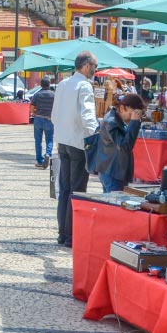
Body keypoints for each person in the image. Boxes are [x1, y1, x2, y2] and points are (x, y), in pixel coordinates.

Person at [51, 51, 99, 248]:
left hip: (62, 141)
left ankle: (62, 233)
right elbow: (87, 115)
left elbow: (55, 114)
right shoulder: (84, 85)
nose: (95, 71)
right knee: (77, 190)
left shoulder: (63, 84)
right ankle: (72, 236)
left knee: (65, 190)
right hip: (78, 143)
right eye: (95, 67)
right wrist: (95, 135)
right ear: (87, 66)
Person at [92, 93, 145, 192]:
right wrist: (134, 123)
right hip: (112, 172)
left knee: (110, 204)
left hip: (111, 170)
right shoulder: (111, 122)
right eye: (131, 113)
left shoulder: (114, 118)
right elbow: (125, 146)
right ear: (122, 108)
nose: (132, 117)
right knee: (114, 204)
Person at [30, 77, 55, 169]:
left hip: (38, 119)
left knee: (38, 140)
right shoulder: (53, 95)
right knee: (49, 139)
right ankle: (48, 154)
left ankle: (40, 161)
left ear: (41, 85)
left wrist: (35, 113)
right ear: (49, 84)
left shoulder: (37, 94)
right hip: (49, 119)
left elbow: (32, 109)